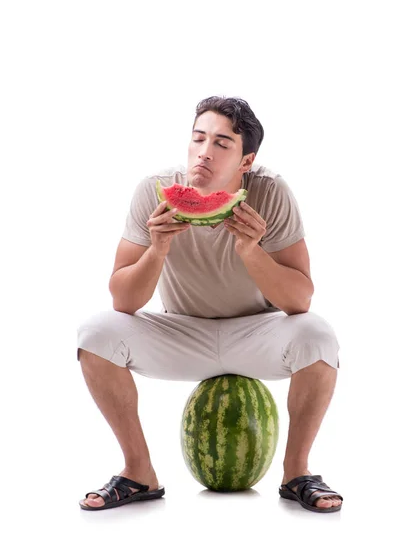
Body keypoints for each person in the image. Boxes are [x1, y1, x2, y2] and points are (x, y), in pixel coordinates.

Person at [77, 96, 343, 513]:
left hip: (257, 334)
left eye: (222, 143)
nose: (204, 152)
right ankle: (138, 472)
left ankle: (296, 473)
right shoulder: (155, 191)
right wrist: (158, 248)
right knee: (95, 332)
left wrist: (252, 251)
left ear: (246, 160)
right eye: (198, 138)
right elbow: (123, 300)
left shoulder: (270, 192)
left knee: (319, 335)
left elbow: (300, 300)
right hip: (181, 333)